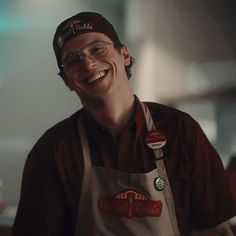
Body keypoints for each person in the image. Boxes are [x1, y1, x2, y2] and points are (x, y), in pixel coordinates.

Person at [13, 12, 236, 236]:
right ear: (66, 80)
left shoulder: (179, 130)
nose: (89, 64)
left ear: (125, 54)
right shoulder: (54, 149)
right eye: (73, 59)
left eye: (98, 48)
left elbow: (213, 229)